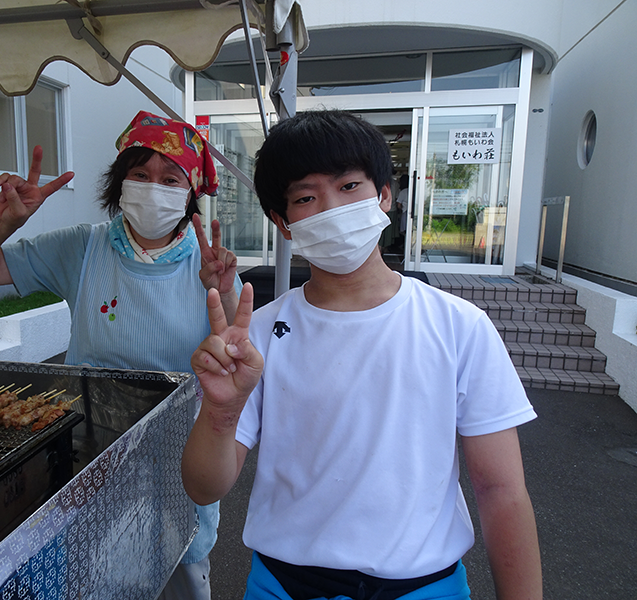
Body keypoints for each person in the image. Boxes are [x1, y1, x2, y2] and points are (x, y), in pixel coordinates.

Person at [182, 110, 542, 600]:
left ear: (384, 196)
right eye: (305, 198)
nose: (331, 208)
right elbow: (204, 487)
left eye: (349, 186)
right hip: (283, 586)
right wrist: (221, 412)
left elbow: (502, 491)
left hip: (426, 588)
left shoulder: (460, 326)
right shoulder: (259, 336)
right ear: (282, 223)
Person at [0, 110, 241, 600]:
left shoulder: (210, 263)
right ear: (119, 182)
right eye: (140, 174)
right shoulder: (82, 248)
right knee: (94, 576)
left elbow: (234, 355)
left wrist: (225, 291)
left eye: (170, 179)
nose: (153, 188)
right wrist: (1, 225)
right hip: (91, 460)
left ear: (190, 192)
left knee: (182, 576)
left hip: (179, 463)